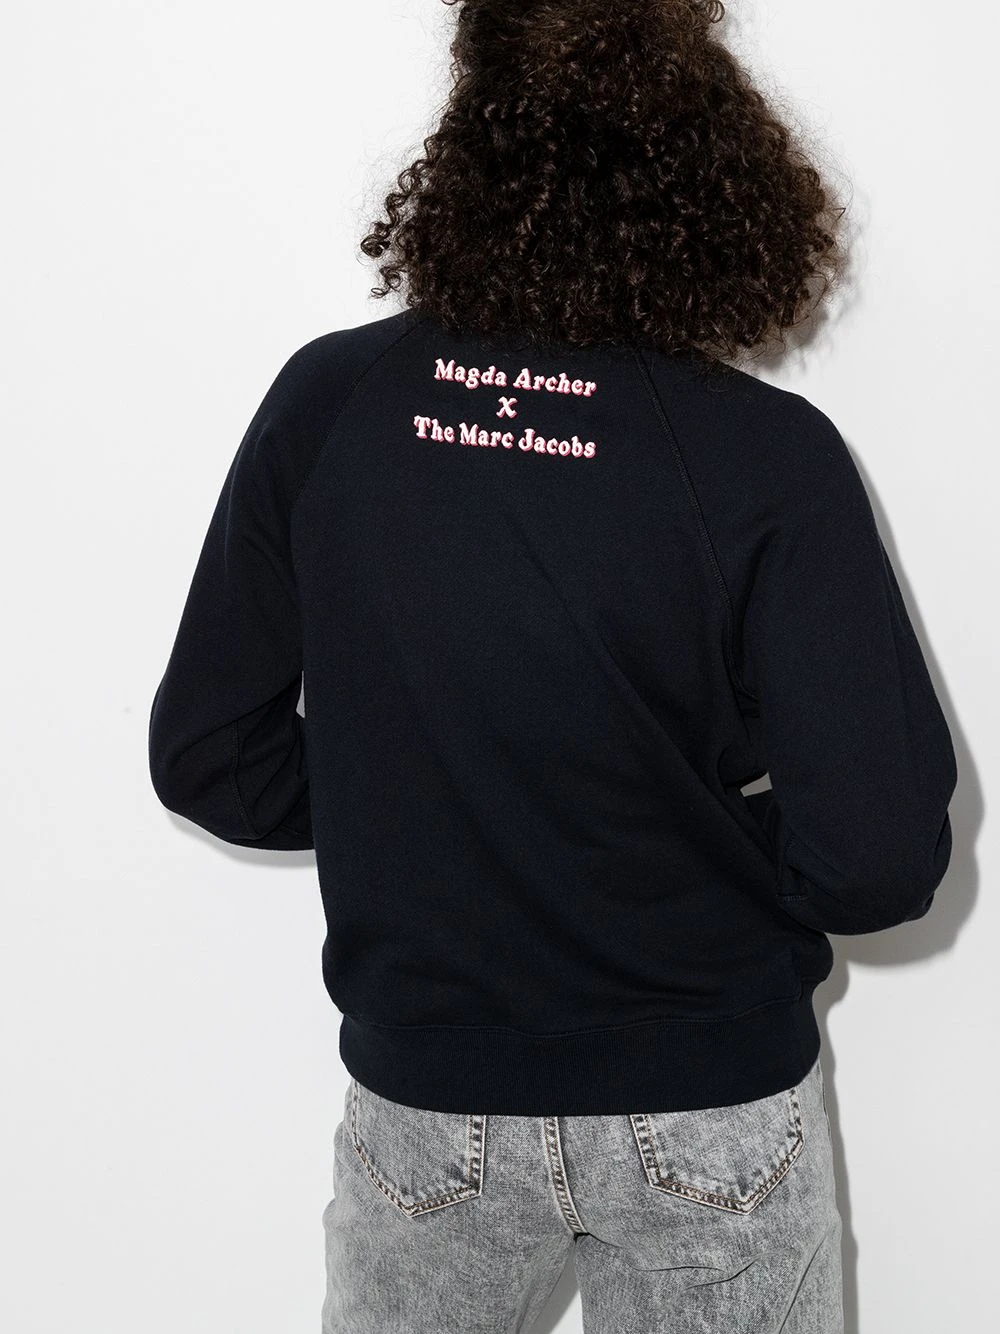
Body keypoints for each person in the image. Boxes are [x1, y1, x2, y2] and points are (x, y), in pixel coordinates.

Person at [147, 1, 957, 1330]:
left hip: (428, 1107)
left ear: (469, 139)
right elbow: (875, 860)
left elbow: (211, 757)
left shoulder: (330, 406)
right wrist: (682, 834)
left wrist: (434, 806)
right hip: (711, 1112)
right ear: (705, 162)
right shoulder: (768, 457)